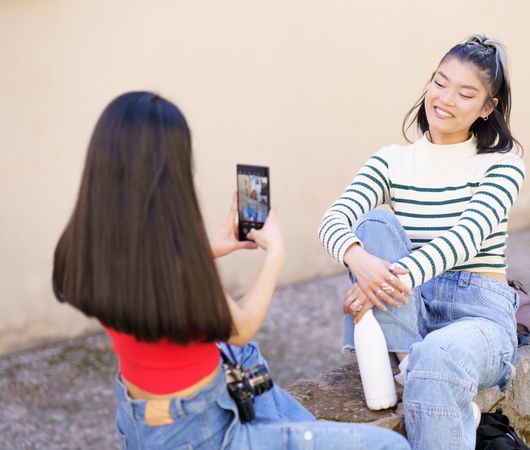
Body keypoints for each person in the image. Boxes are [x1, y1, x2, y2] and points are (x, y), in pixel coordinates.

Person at [53, 92, 410, 450]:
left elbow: (143, 277)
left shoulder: (86, 247)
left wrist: (207, 248)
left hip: (141, 418)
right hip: (203, 431)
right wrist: (275, 256)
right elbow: (239, 326)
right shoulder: (179, 270)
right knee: (390, 446)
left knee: (244, 357)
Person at [318, 34, 525, 450]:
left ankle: (415, 368)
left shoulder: (502, 165)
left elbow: (465, 238)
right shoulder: (392, 159)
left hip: (478, 315)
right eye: (439, 82)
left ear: (488, 108)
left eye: (465, 93)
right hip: (410, 310)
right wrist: (361, 262)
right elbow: (332, 220)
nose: (445, 99)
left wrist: (387, 279)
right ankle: (406, 360)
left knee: (439, 355)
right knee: (373, 222)